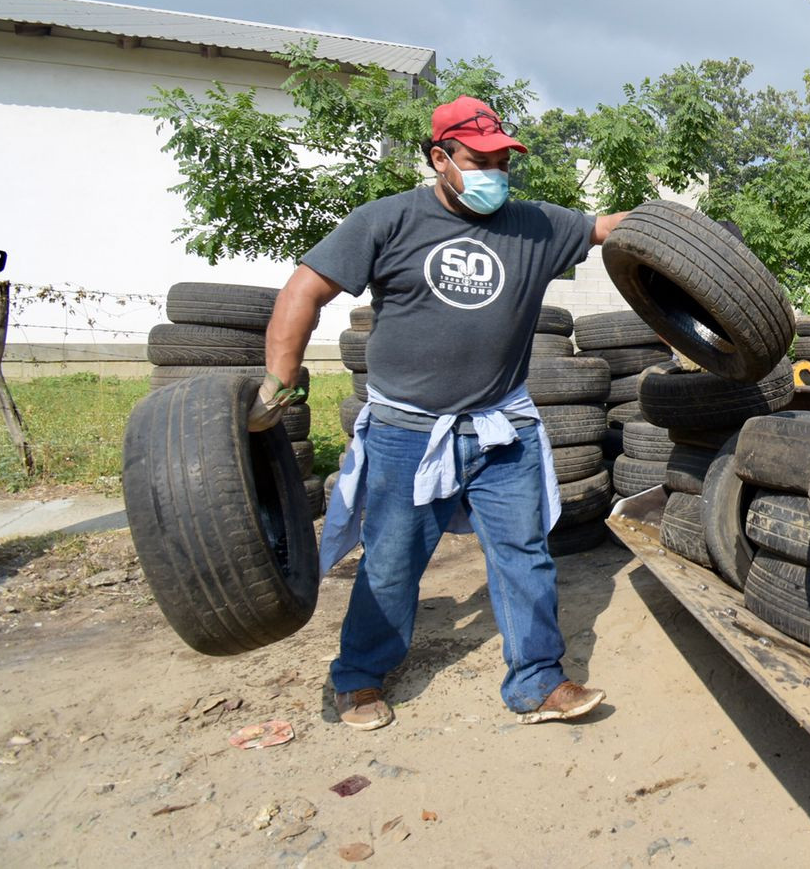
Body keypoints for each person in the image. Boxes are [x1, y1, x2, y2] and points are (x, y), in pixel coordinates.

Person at [249, 95, 627, 731]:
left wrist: (685, 237)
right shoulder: (387, 221)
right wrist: (278, 383)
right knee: (392, 560)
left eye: (504, 161)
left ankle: (537, 681)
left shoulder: (535, 225)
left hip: (501, 427)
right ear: (439, 158)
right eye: (480, 160)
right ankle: (361, 677)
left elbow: (608, 228)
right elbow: (303, 289)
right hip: (407, 430)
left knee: (523, 553)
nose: (496, 174)